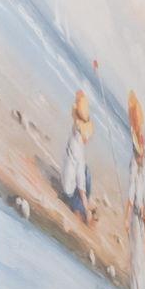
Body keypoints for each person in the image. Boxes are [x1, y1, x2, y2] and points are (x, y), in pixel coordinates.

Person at [125, 91, 145, 289]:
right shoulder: (135, 166)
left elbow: (141, 199)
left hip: (140, 220)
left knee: (141, 260)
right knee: (137, 260)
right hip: (136, 220)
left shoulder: (141, 168)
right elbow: (131, 198)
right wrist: (126, 219)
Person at [57, 88, 93, 222]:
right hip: (69, 194)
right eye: (88, 135)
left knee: (83, 170)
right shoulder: (79, 148)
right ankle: (80, 209)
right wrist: (87, 207)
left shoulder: (73, 135)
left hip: (64, 183)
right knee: (86, 173)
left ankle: (80, 205)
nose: (88, 138)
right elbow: (81, 182)